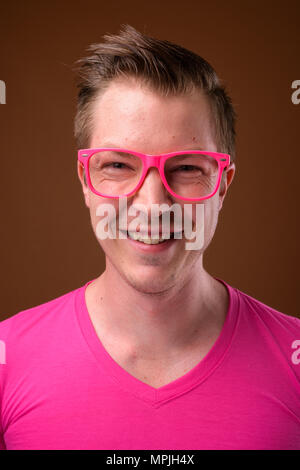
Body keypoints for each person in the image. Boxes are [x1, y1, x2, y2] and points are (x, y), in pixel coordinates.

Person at [0, 25, 299, 451]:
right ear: (85, 180)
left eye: (188, 168)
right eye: (119, 166)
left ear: (223, 184)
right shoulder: (6, 360)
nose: (154, 205)